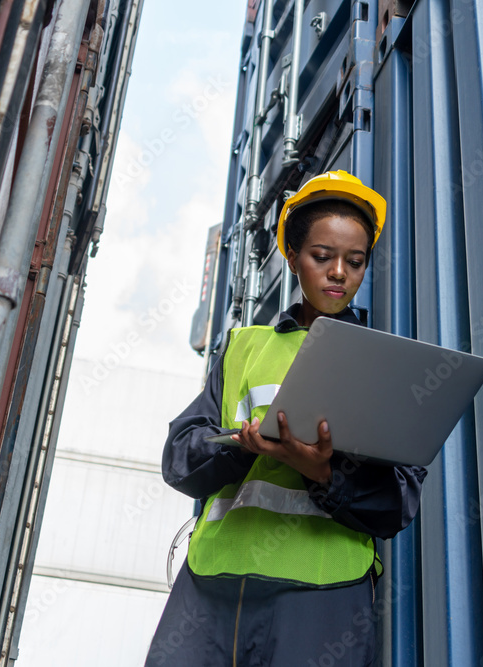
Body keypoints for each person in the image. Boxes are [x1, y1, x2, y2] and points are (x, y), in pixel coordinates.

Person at [146, 171, 427, 667]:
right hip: (215, 584)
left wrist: (322, 471)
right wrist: (242, 446)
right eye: (322, 257)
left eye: (355, 261)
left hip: (323, 596)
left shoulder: (385, 364)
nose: (339, 272)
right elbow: (180, 459)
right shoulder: (244, 347)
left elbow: (398, 503)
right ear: (293, 256)